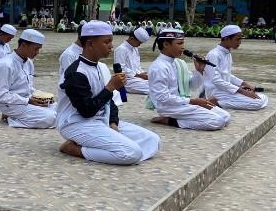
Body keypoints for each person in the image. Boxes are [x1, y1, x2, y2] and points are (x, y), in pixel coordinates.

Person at [57, 21, 160, 165]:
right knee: (132, 153)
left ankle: (107, 147)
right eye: (107, 42)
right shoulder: (76, 73)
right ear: (90, 44)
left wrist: (113, 123)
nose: (111, 46)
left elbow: (109, 102)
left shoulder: (102, 67)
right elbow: (86, 111)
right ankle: (74, 149)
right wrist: (110, 87)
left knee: (153, 140)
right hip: (77, 123)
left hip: (101, 119)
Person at [147, 28, 230, 130]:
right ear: (166, 44)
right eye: (179, 43)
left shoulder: (179, 63)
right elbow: (162, 98)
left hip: (184, 103)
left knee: (226, 117)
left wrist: (199, 71)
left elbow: (192, 86)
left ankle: (182, 118)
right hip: (169, 107)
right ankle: (169, 120)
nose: (183, 47)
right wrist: (192, 101)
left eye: (183, 43)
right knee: (217, 121)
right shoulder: (159, 67)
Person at [0, 29, 56, 128]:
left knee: (60, 109)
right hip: (10, 105)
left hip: (26, 100)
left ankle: (24, 115)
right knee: (50, 117)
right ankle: (11, 118)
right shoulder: (5, 65)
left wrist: (41, 97)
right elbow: (0, 95)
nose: (37, 52)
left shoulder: (29, 62)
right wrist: (27, 101)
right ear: (24, 45)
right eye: (36, 49)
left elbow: (28, 87)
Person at [204, 25, 268, 111]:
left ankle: (222, 101)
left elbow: (227, 75)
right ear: (226, 39)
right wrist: (242, 91)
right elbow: (215, 80)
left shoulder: (227, 53)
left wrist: (244, 84)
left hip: (226, 89)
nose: (240, 42)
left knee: (263, 97)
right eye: (237, 39)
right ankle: (216, 102)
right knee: (257, 103)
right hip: (216, 91)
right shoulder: (213, 54)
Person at [113, 26, 151, 94]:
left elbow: (137, 66)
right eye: (139, 43)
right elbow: (120, 70)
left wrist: (143, 74)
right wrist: (139, 75)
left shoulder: (135, 49)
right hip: (127, 80)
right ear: (131, 38)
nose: (139, 45)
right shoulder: (121, 49)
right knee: (152, 88)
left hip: (137, 79)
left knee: (156, 82)